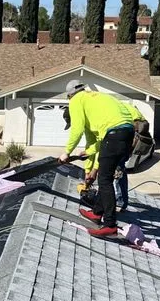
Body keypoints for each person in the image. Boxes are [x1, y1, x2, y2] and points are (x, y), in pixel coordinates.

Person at [58, 82, 136, 238]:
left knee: (105, 180)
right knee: (104, 175)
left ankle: (110, 225)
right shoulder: (97, 96)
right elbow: (100, 143)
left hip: (114, 135)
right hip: (127, 133)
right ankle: (97, 212)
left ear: (69, 96)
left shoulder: (76, 100)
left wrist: (66, 152)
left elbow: (77, 129)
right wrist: (90, 157)